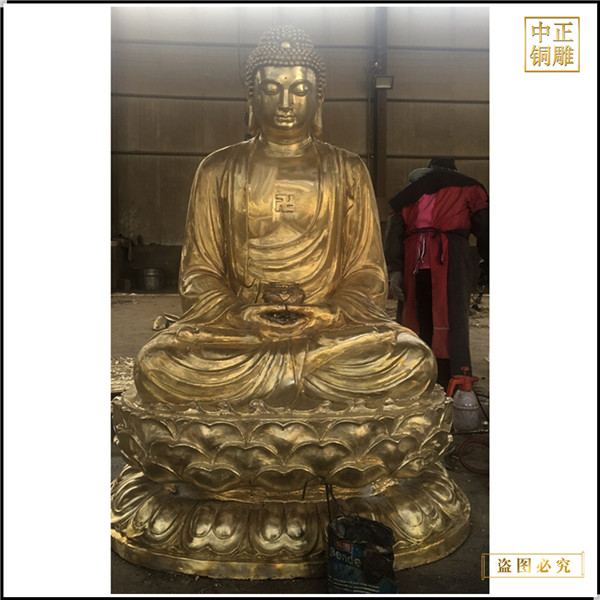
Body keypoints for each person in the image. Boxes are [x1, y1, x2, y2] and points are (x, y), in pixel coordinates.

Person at [133, 25, 437, 413]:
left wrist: (330, 311)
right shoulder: (217, 169)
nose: (286, 102)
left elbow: (367, 273)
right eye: (271, 89)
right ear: (252, 96)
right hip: (243, 333)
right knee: (157, 365)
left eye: (300, 89)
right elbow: (199, 273)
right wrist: (238, 312)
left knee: (412, 361)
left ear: (319, 97)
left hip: (326, 332)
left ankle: (280, 390)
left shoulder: (347, 170)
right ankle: (298, 390)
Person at [384, 157, 489, 388]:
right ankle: (453, 376)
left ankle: (414, 375)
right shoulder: (469, 188)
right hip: (451, 259)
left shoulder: (409, 194)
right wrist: (486, 263)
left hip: (415, 262)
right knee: (453, 318)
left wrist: (395, 269)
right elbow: (485, 228)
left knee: (416, 318)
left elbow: (393, 233)